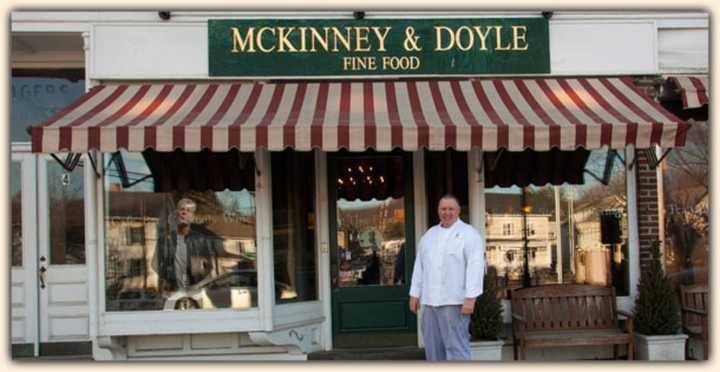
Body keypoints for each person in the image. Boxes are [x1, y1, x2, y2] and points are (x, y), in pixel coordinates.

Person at [409, 195, 485, 361]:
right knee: (433, 349)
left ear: (458, 211)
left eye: (451, 209)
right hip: (429, 302)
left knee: (456, 348)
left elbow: (475, 267)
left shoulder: (469, 234)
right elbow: (419, 266)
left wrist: (470, 298)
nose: (447, 212)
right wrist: (414, 294)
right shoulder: (429, 235)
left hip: (455, 301)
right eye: (443, 209)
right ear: (438, 211)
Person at [156, 197, 220, 292]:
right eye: (182, 209)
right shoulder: (167, 239)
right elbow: (158, 263)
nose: (184, 213)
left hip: (195, 289)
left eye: (188, 210)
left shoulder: (200, 239)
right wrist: (165, 279)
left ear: (192, 217)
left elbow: (209, 266)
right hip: (173, 290)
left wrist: (198, 283)